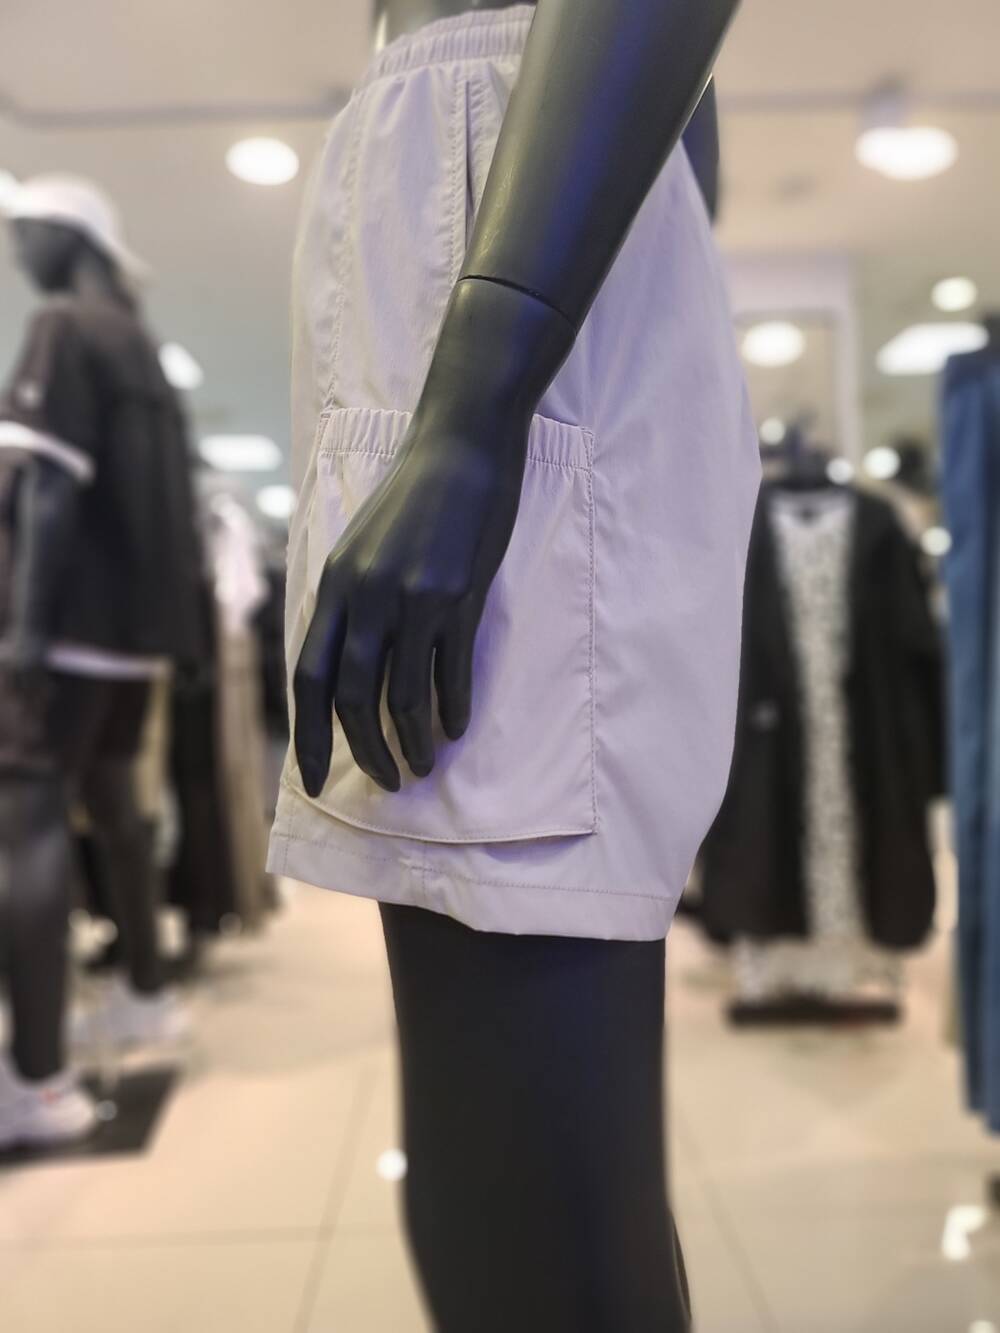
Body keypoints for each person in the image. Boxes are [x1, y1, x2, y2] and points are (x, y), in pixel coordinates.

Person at [271, 1, 759, 1326]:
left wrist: (474, 410)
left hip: (500, 183)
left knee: (523, 1182)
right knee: (505, 1162)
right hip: (491, 178)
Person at [0, 176, 204, 1149]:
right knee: (117, 809)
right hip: (130, 640)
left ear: (66, 236)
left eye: (23, 233)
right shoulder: (141, 347)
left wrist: (25, 628)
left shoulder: (64, 328)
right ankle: (145, 992)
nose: (15, 252)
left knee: (27, 826)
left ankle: (38, 1079)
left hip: (70, 628)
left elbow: (47, 487)